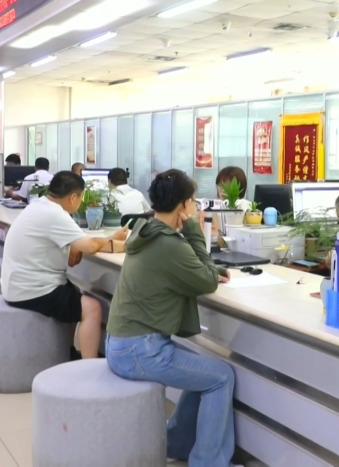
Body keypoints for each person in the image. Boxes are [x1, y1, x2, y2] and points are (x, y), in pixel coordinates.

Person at [106, 169, 235, 466]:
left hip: (121, 344)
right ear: (183, 205)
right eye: (193, 202)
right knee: (220, 377)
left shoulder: (146, 230)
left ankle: (176, 443)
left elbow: (180, 268)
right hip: (141, 351)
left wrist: (206, 268)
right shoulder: (170, 244)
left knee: (201, 370)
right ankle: (209, 462)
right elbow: (206, 281)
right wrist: (194, 232)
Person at [1, 171, 128, 360]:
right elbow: (91, 245)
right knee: (92, 308)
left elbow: (78, 243)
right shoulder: (55, 214)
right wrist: (121, 243)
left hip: (18, 284)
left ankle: (67, 353)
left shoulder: (39, 205)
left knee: (73, 292)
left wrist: (93, 242)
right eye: (81, 198)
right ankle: (89, 366)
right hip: (31, 290)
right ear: (73, 197)